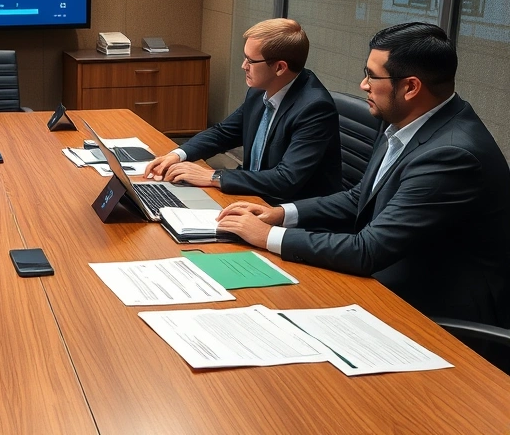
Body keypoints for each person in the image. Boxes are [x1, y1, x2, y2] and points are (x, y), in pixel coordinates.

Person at [216, 22, 510, 326]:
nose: (363, 85)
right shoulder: (405, 120)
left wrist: (267, 236)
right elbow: (361, 196)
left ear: (410, 87)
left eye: (372, 75)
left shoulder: (451, 155)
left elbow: (369, 250)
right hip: (393, 270)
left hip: (439, 309)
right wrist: (279, 214)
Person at [144, 18, 341, 205]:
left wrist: (213, 176)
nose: (243, 66)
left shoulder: (314, 109)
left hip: (288, 211)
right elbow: (224, 132)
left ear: (280, 68)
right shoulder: (259, 91)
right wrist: (178, 154)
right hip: (251, 195)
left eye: (251, 61)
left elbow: (285, 180)